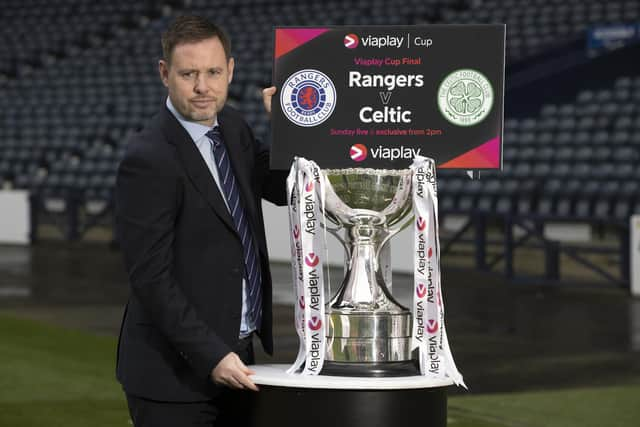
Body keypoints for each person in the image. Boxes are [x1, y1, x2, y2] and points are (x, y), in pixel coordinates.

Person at [115, 15, 287, 426]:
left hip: (240, 361)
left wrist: (288, 127)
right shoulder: (148, 158)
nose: (202, 87)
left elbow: (283, 191)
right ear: (164, 73)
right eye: (188, 73)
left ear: (230, 69)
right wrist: (212, 355)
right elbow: (151, 278)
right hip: (172, 379)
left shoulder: (234, 127)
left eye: (213, 72)